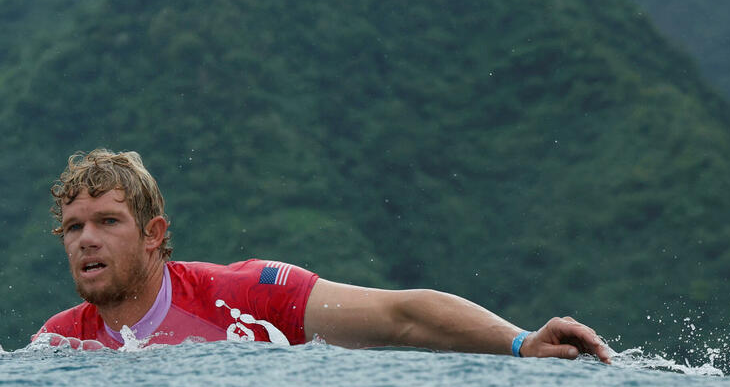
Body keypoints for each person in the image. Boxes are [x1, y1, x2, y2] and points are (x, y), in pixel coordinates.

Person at [34, 149, 612, 362]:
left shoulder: (248, 295)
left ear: (154, 233)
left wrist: (522, 344)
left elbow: (401, 315)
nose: (87, 239)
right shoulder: (58, 345)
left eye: (109, 221)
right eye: (74, 227)